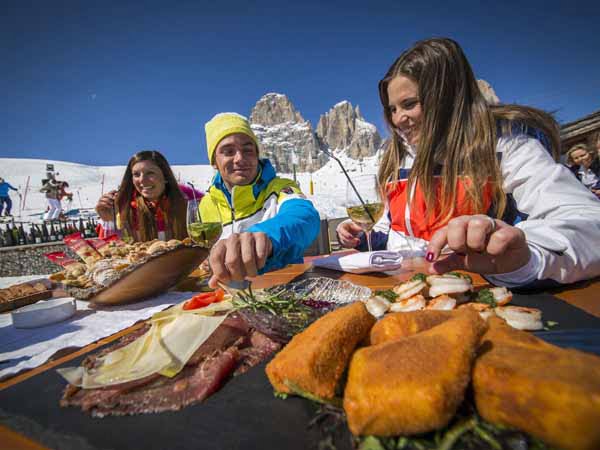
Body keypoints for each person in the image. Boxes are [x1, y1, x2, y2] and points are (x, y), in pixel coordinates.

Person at [337, 38, 600, 287]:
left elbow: (588, 224)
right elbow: (395, 227)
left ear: (446, 97)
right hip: (408, 285)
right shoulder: (397, 157)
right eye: (392, 109)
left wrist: (527, 257)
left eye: (409, 104)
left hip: (482, 288)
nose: (397, 119)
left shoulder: (505, 145)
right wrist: (365, 236)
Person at [201, 112, 320, 288]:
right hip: (226, 298)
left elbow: (305, 217)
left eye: (248, 150)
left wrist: (265, 237)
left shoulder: (280, 187)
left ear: (257, 155)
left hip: (285, 292)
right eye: (228, 151)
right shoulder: (206, 205)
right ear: (214, 162)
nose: (240, 158)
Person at [95, 150, 203, 241]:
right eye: (136, 174)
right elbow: (113, 253)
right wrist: (108, 221)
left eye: (150, 173)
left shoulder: (190, 203)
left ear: (165, 176)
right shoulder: (124, 208)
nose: (142, 180)